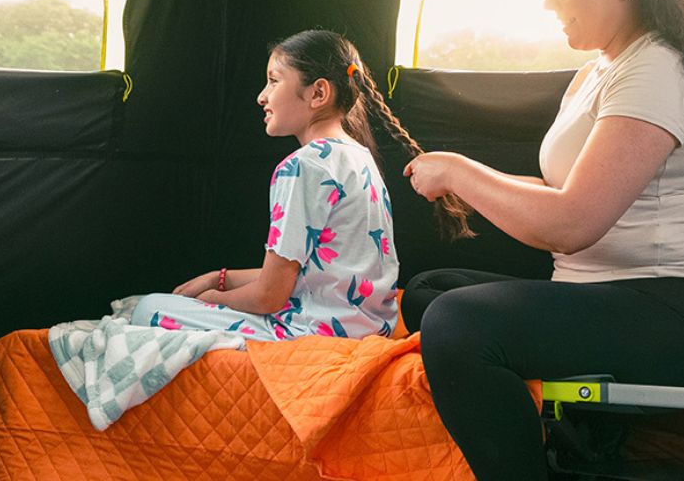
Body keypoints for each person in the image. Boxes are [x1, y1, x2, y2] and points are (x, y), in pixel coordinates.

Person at [400, 0, 684, 480]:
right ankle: (570, 447)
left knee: (456, 323)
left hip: (674, 315)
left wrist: (462, 173)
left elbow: (572, 222)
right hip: (598, 297)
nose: (548, 1)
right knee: (428, 292)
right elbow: (561, 187)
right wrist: (462, 179)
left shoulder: (657, 68)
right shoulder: (601, 69)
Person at [129, 29, 472, 341]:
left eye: (274, 81)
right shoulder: (359, 157)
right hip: (366, 327)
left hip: (312, 331)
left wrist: (216, 300)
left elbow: (269, 296)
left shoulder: (301, 167)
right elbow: (304, 273)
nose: (262, 97)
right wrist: (219, 277)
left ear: (318, 92)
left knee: (147, 309)